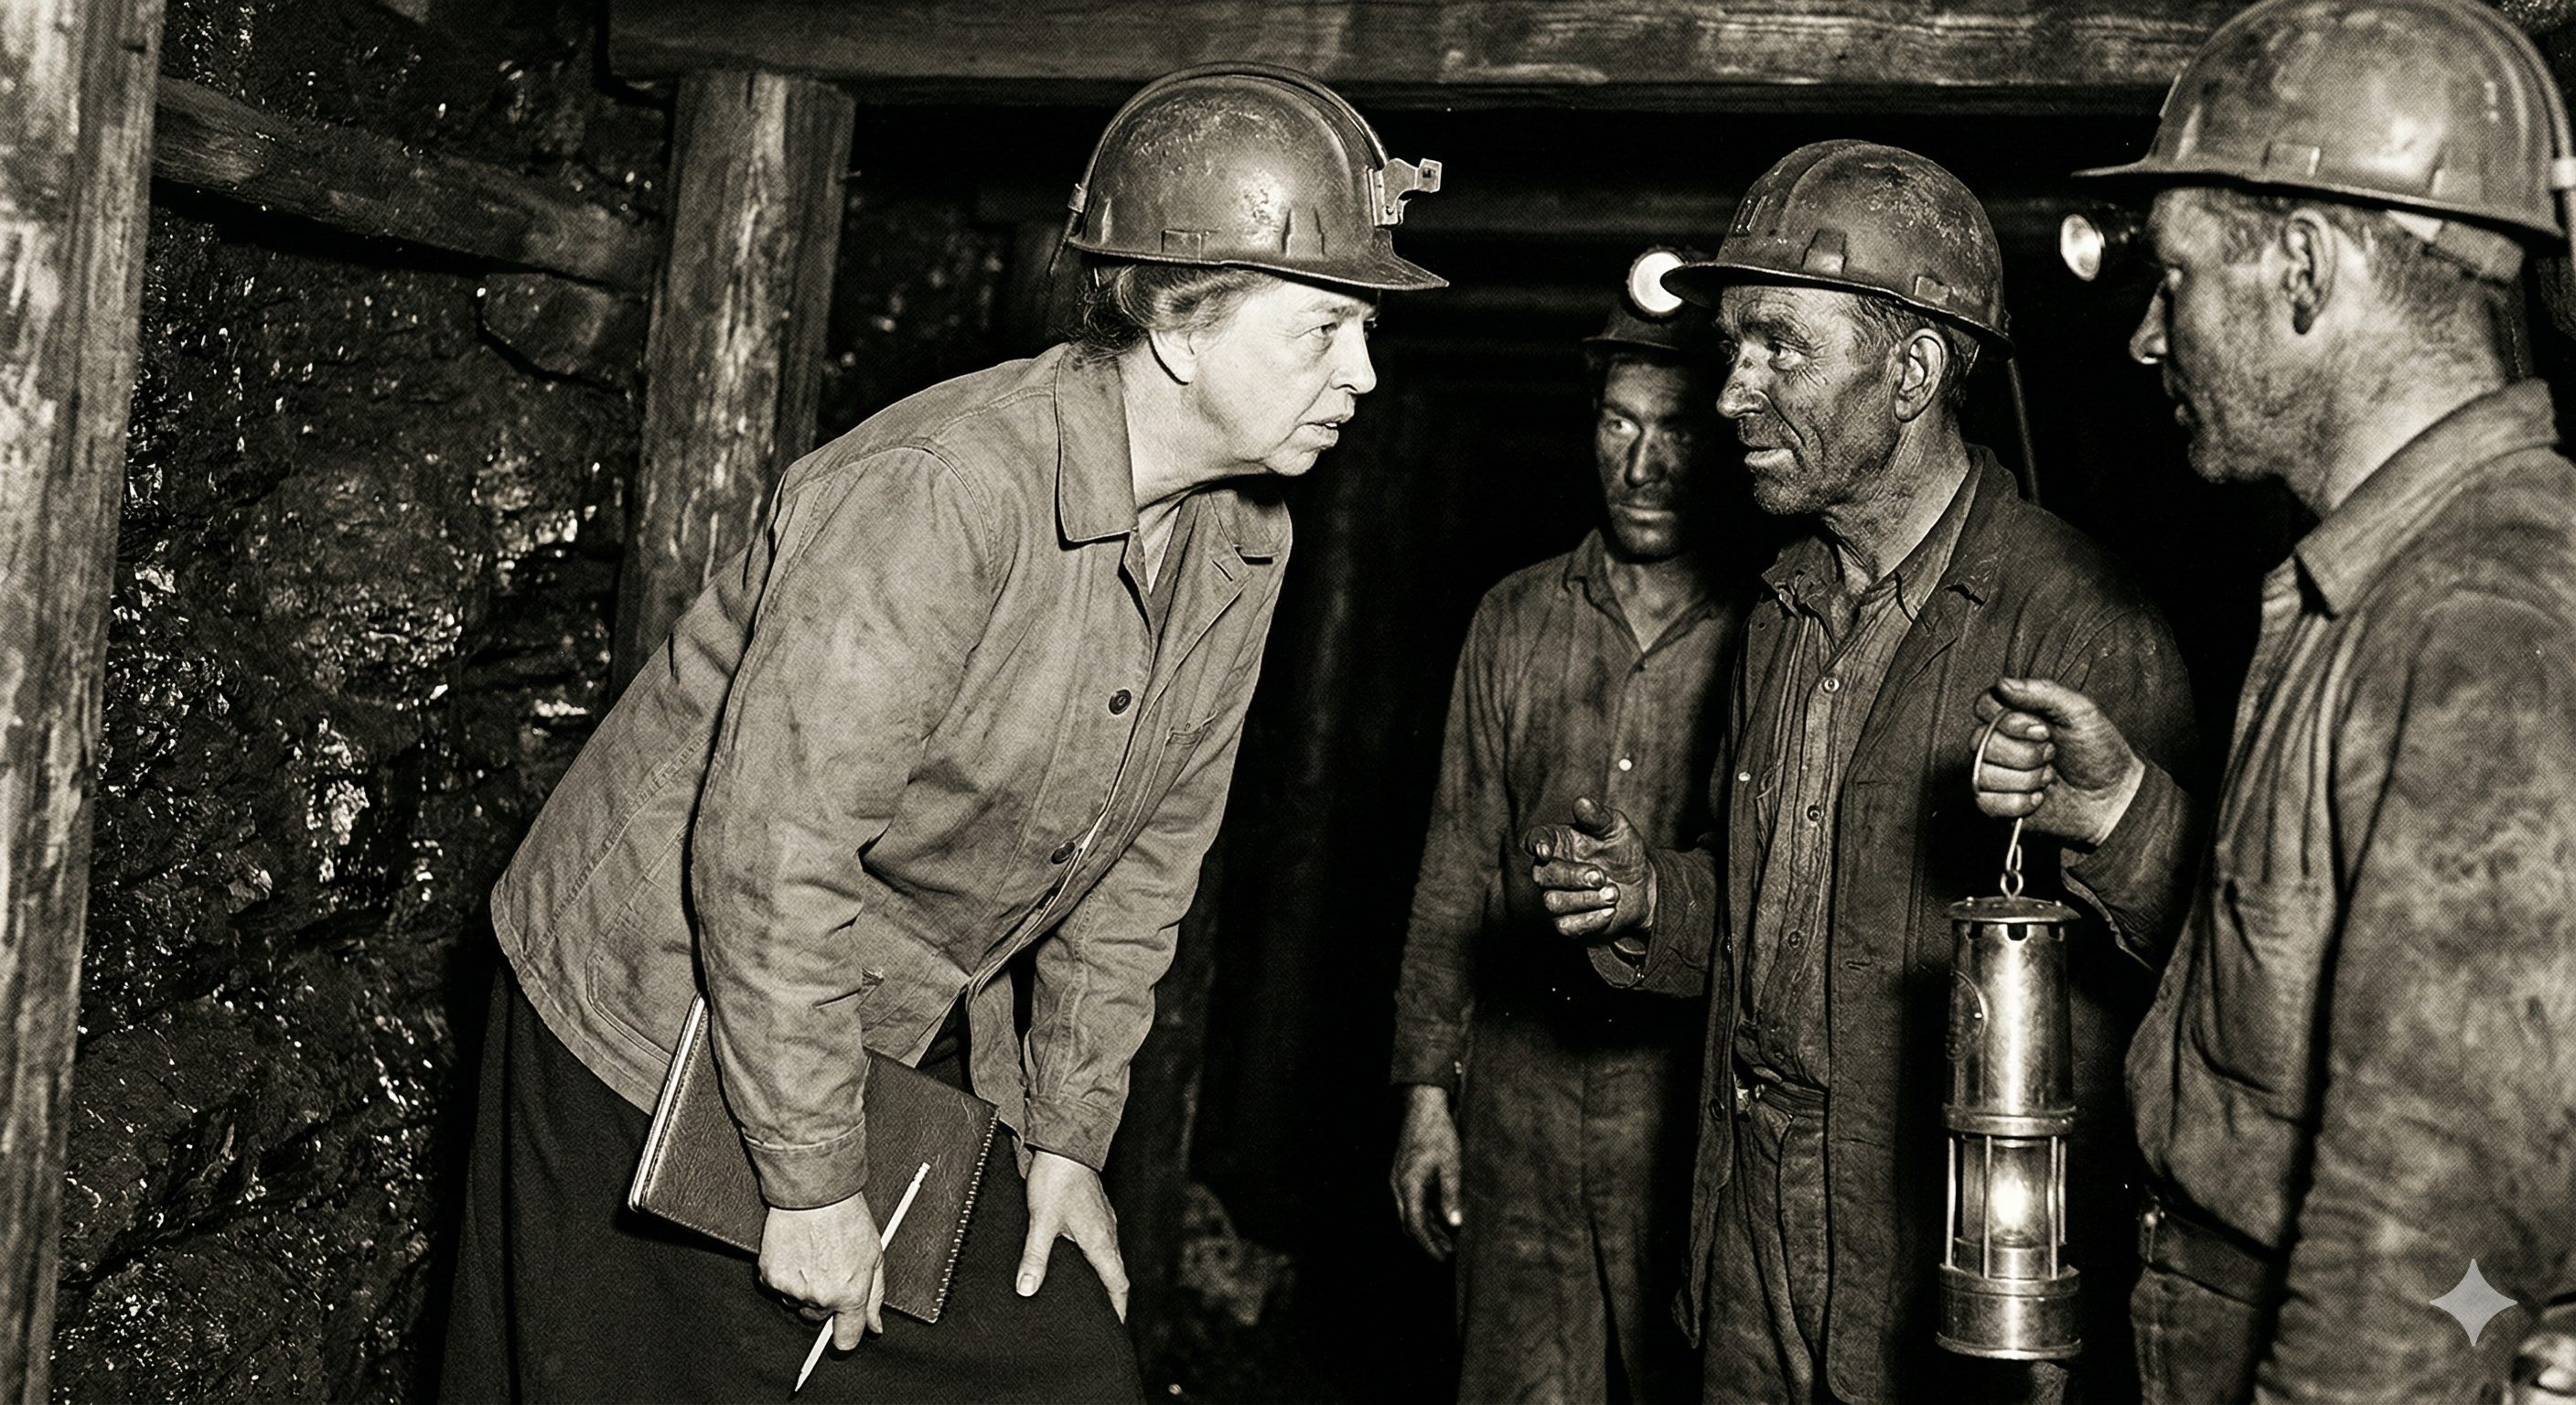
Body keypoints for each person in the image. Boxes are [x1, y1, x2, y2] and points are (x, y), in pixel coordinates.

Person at [439, 64, 1444, 1402]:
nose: (1363, 372)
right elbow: (773, 849)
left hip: (848, 1010)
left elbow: (1141, 877)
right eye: (1324, 328)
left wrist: (1066, 1142)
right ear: (1185, 329)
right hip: (645, 1009)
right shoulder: (943, 493)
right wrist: (808, 1180)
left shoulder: (1241, 540)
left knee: (1067, 1366)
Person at [1525, 142, 2199, 1404]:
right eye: (1736, 346)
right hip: (1748, 1235)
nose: (1733, 393)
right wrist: (1652, 901)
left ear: (1916, 370)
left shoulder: (2082, 625)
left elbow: (2193, 985)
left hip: (1943, 1266)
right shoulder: (1781, 607)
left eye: (1782, 345)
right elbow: (1780, 924)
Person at [1970, 1, 2576, 1399]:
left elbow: (2434, 1232)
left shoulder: (2475, 619)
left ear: (2304, 265)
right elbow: (2326, 982)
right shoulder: (2370, 584)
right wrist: (2123, 815)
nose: (2144, 335)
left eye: (2174, 277)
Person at [1389, 250, 1748, 1404]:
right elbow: (1454, 863)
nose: (1640, 465)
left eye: (1676, 430)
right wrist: (1424, 1097)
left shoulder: (1769, 632)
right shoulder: (1514, 618)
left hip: (1680, 1108)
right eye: (1616, 425)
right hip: (1519, 1100)